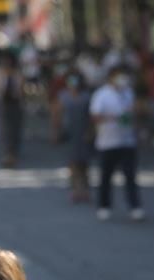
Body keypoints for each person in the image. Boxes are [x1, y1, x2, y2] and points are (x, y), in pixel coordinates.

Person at [89, 64, 144, 222]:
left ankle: (135, 206)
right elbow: (95, 116)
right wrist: (113, 118)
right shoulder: (102, 94)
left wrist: (137, 126)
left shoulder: (128, 92)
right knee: (106, 176)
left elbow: (135, 114)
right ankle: (104, 206)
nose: (123, 79)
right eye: (120, 75)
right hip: (107, 142)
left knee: (130, 176)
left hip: (127, 141)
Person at [60, 72, 92, 204]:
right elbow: (58, 113)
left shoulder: (86, 97)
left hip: (83, 132)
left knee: (84, 163)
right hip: (70, 133)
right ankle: (74, 189)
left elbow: (91, 116)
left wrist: (91, 131)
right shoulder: (63, 96)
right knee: (72, 163)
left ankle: (84, 189)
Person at [0, 52, 24, 167]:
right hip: (2, 104)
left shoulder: (17, 73)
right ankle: (6, 155)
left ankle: (13, 154)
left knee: (15, 130)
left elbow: (21, 90)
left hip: (15, 104)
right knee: (3, 130)